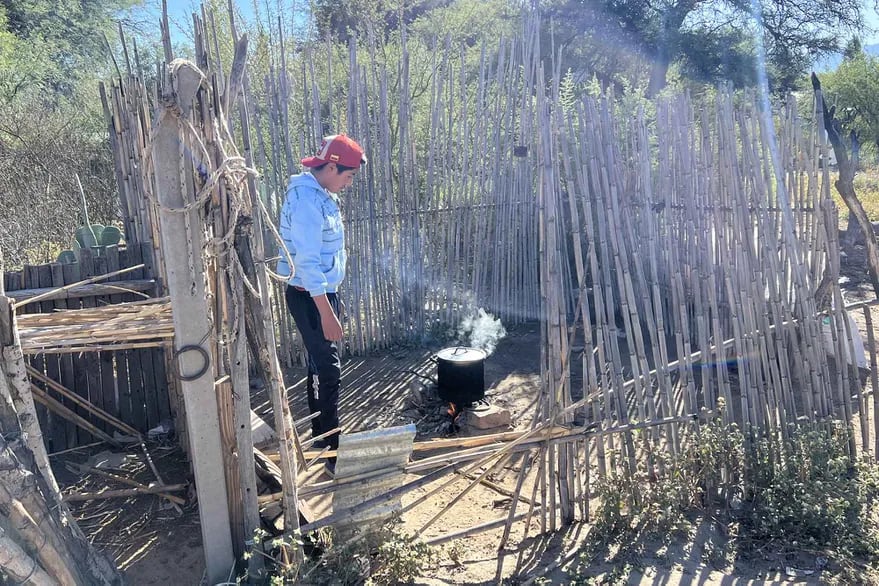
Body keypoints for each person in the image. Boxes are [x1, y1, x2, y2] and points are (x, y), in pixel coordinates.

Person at [277, 134, 366, 476]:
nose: (349, 182)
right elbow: (308, 263)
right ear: (331, 166)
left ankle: (321, 438)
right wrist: (326, 312)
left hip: (322, 293)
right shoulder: (306, 203)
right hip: (309, 295)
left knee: (321, 367)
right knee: (328, 371)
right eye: (348, 175)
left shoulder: (320, 194)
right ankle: (331, 451)